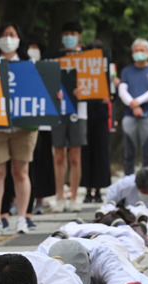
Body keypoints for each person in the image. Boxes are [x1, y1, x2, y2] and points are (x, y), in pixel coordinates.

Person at [0, 22, 37, 235]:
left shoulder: (29, 64)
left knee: (21, 172)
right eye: (4, 34)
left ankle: (22, 218)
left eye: (12, 34)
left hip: (23, 128)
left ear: (19, 38)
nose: (8, 38)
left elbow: (42, 92)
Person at [36, 236, 148, 284]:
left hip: (106, 242)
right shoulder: (43, 255)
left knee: (115, 246)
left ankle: (130, 262)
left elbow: (113, 271)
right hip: (57, 239)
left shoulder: (102, 252)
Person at [51, 21, 86, 213]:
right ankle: (59, 196)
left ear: (80, 36)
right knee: (58, 155)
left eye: (73, 33)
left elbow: (96, 86)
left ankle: (73, 197)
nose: (69, 37)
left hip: (79, 112)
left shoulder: (88, 60)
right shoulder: (55, 59)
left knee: (75, 156)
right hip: (58, 110)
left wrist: (85, 91)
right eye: (66, 33)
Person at [118, 38, 148, 175]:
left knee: (147, 154)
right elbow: (122, 90)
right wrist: (133, 105)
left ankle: (147, 184)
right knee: (129, 154)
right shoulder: (126, 71)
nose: (139, 53)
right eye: (136, 50)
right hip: (130, 115)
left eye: (142, 50)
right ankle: (128, 183)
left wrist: (138, 102)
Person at [26, 34, 56, 217]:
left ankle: (40, 200)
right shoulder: (20, 67)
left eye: (35, 46)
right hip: (25, 125)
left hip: (44, 125)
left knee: (43, 164)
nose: (32, 49)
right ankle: (18, 201)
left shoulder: (48, 69)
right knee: (25, 166)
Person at [80, 39, 111, 204]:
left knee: (101, 152)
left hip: (101, 114)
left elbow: (114, 88)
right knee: (86, 153)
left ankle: (99, 190)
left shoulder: (108, 69)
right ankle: (87, 190)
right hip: (85, 113)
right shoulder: (81, 69)